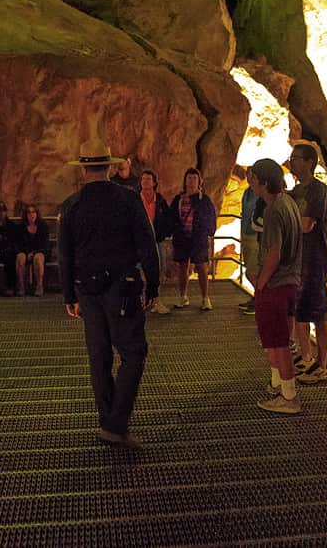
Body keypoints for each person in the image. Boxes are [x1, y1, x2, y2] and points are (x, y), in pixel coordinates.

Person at [59, 138, 160, 448]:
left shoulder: (72, 205)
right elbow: (147, 244)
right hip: (123, 287)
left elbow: (65, 254)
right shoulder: (128, 199)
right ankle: (116, 424)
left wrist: (68, 296)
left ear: (83, 169)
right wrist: (153, 286)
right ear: (108, 166)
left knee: (98, 356)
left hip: (87, 290)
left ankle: (108, 419)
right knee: (133, 352)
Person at [249, 159, 303, 414]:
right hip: (291, 281)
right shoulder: (289, 202)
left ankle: (289, 396)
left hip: (276, 283)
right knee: (280, 339)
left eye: (253, 177)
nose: (250, 181)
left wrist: (261, 282)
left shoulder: (272, 210)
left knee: (278, 342)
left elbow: (274, 251)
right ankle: (278, 384)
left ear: (263, 181)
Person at [287, 142, 327, 384]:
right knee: (300, 311)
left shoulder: (318, 191)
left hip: (315, 259)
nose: (291, 161)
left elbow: (306, 224)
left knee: (318, 312)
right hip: (299, 260)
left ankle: (323, 363)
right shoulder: (295, 192)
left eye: (296, 158)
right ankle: (306, 358)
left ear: (308, 162)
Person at [170, 168, 217, 311]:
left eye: (194, 178)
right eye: (189, 178)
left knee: (202, 267)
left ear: (199, 181)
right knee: (183, 267)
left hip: (198, 238)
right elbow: (172, 217)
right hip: (182, 237)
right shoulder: (178, 199)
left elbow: (210, 216)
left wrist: (209, 231)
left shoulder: (204, 199)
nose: (191, 181)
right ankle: (183, 297)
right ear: (185, 181)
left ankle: (205, 298)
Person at [139, 169, 173, 315]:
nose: (145, 181)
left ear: (154, 183)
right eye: (143, 179)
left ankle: (155, 300)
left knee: (158, 270)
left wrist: (164, 234)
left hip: (157, 241)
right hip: (140, 242)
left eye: (148, 179)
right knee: (140, 271)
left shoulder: (159, 200)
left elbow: (167, 218)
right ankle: (141, 300)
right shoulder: (135, 199)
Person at [238, 176, 262, 315]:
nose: (250, 178)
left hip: (255, 237)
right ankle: (257, 299)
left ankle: (260, 300)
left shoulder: (260, 195)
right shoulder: (247, 192)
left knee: (251, 273)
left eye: (253, 175)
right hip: (246, 234)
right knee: (251, 270)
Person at [16, 204, 50, 296]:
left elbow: (45, 244)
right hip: (25, 251)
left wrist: (34, 253)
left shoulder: (43, 226)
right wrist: (27, 253)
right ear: (25, 215)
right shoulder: (21, 227)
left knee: (37, 258)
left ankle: (39, 286)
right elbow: (18, 243)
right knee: (20, 257)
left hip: (40, 251)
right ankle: (21, 287)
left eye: (33, 212)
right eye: (29, 212)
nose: (31, 214)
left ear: (37, 214)